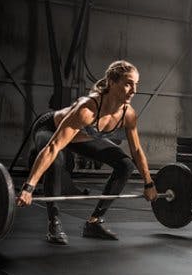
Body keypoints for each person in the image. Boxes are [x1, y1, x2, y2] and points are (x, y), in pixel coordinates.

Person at [17, 60, 158, 245]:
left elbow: (137, 150)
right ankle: (54, 222)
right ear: (111, 82)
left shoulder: (128, 114)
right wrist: (29, 188)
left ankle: (94, 222)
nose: (134, 90)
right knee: (57, 159)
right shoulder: (87, 109)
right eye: (128, 83)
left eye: (136, 84)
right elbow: (53, 147)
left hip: (82, 138)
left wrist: (149, 183)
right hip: (50, 128)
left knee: (125, 165)